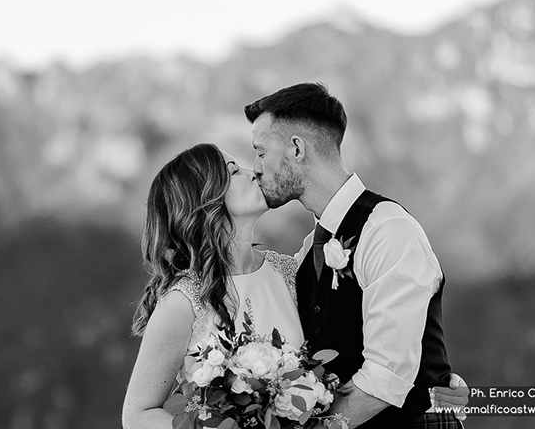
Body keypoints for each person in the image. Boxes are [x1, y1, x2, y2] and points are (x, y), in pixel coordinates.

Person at [122, 143, 467, 429]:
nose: (251, 171)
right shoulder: (183, 303)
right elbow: (137, 414)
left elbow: (366, 339)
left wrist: (437, 389)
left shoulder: (291, 271)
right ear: (205, 201)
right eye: (232, 171)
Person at [245, 82, 466, 428]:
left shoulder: (387, 230)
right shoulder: (308, 251)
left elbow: (387, 376)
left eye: (260, 152)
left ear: (297, 149)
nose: (255, 167)